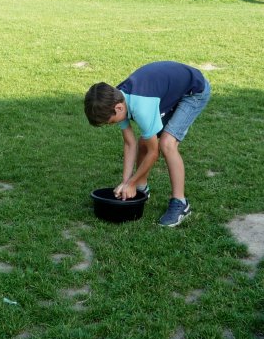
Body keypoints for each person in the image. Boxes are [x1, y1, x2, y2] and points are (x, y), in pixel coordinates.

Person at [84, 61, 211, 227]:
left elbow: (153, 153)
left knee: (167, 143)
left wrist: (131, 182)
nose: (111, 124)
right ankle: (141, 188)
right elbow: (129, 144)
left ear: (119, 108)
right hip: (167, 92)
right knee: (144, 141)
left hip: (194, 92)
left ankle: (180, 202)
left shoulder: (141, 108)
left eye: (110, 121)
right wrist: (126, 182)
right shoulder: (117, 99)